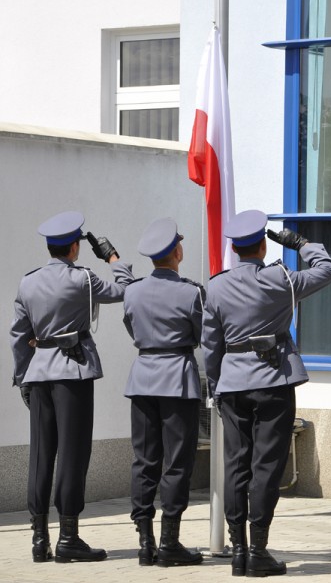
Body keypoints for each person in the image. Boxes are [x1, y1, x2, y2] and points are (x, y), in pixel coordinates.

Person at [202, 209, 331, 577]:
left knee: (236, 466)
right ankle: (258, 550)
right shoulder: (281, 279)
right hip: (274, 380)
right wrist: (301, 243)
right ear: (263, 244)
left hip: (233, 385)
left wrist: (216, 385)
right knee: (266, 466)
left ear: (234, 249)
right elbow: (328, 269)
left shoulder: (216, 286)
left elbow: (210, 344)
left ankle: (238, 551)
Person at [9, 210, 134, 564]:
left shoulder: (28, 282)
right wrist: (113, 257)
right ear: (75, 248)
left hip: (38, 374)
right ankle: (68, 538)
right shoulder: (83, 279)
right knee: (72, 454)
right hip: (72, 372)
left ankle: (39, 539)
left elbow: (19, 335)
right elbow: (125, 290)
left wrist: (23, 376)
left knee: (41, 455)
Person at [123, 217, 205, 568]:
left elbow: (132, 327)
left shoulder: (133, 291)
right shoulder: (191, 292)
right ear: (177, 253)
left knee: (144, 460)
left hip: (143, 377)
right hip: (177, 379)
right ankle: (170, 542)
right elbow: (201, 334)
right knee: (177, 462)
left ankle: (145, 542)